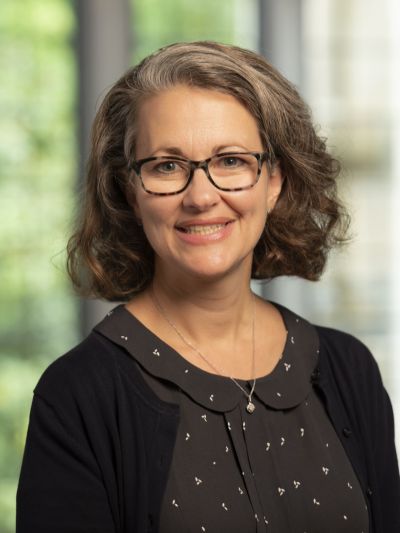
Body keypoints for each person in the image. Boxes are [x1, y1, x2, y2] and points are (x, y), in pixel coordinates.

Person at [16, 41, 399, 533]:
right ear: (130, 190)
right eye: (166, 166)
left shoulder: (349, 370)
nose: (201, 196)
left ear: (274, 179)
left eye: (232, 161)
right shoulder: (78, 394)